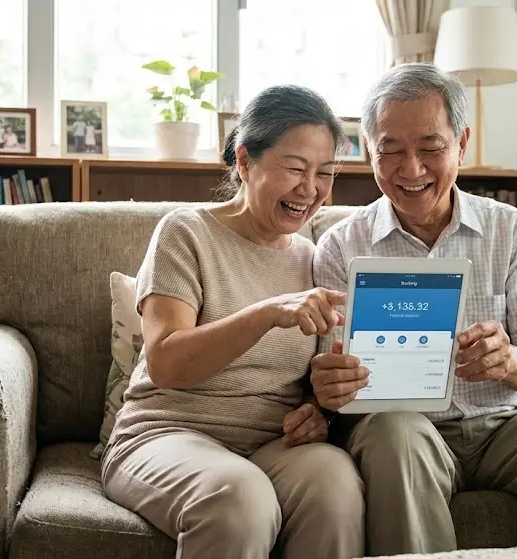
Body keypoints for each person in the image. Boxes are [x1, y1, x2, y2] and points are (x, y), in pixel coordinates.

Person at [310, 62, 517, 556]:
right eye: (391, 150)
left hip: (510, 426)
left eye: (430, 147)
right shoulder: (340, 245)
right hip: (408, 429)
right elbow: (329, 384)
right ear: (369, 155)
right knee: (393, 436)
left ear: (461, 144)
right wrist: (328, 388)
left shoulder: (510, 229)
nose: (411, 168)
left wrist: (508, 360)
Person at [101, 84, 365, 559]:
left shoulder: (314, 257)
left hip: (272, 444)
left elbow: (318, 372)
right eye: (295, 168)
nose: (311, 189)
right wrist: (267, 313)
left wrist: (317, 411)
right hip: (166, 434)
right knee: (239, 496)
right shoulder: (186, 232)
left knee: (336, 482)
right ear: (244, 161)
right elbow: (165, 363)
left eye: (325, 173)